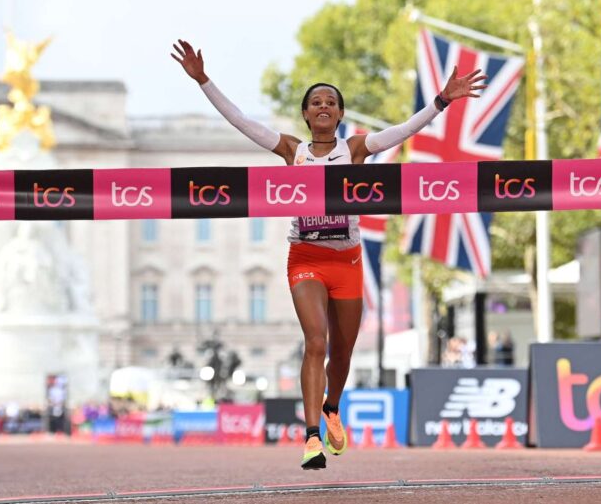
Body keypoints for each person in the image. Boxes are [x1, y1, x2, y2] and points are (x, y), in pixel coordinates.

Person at [172, 39, 487, 469]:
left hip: (349, 261)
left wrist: (441, 101)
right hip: (305, 258)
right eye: (315, 102)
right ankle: (312, 437)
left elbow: (402, 131)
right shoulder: (291, 151)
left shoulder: (355, 150)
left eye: (330, 102)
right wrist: (204, 81)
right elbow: (242, 122)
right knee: (315, 341)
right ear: (305, 114)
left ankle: (332, 406)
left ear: (339, 115)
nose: (323, 106)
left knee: (342, 352)